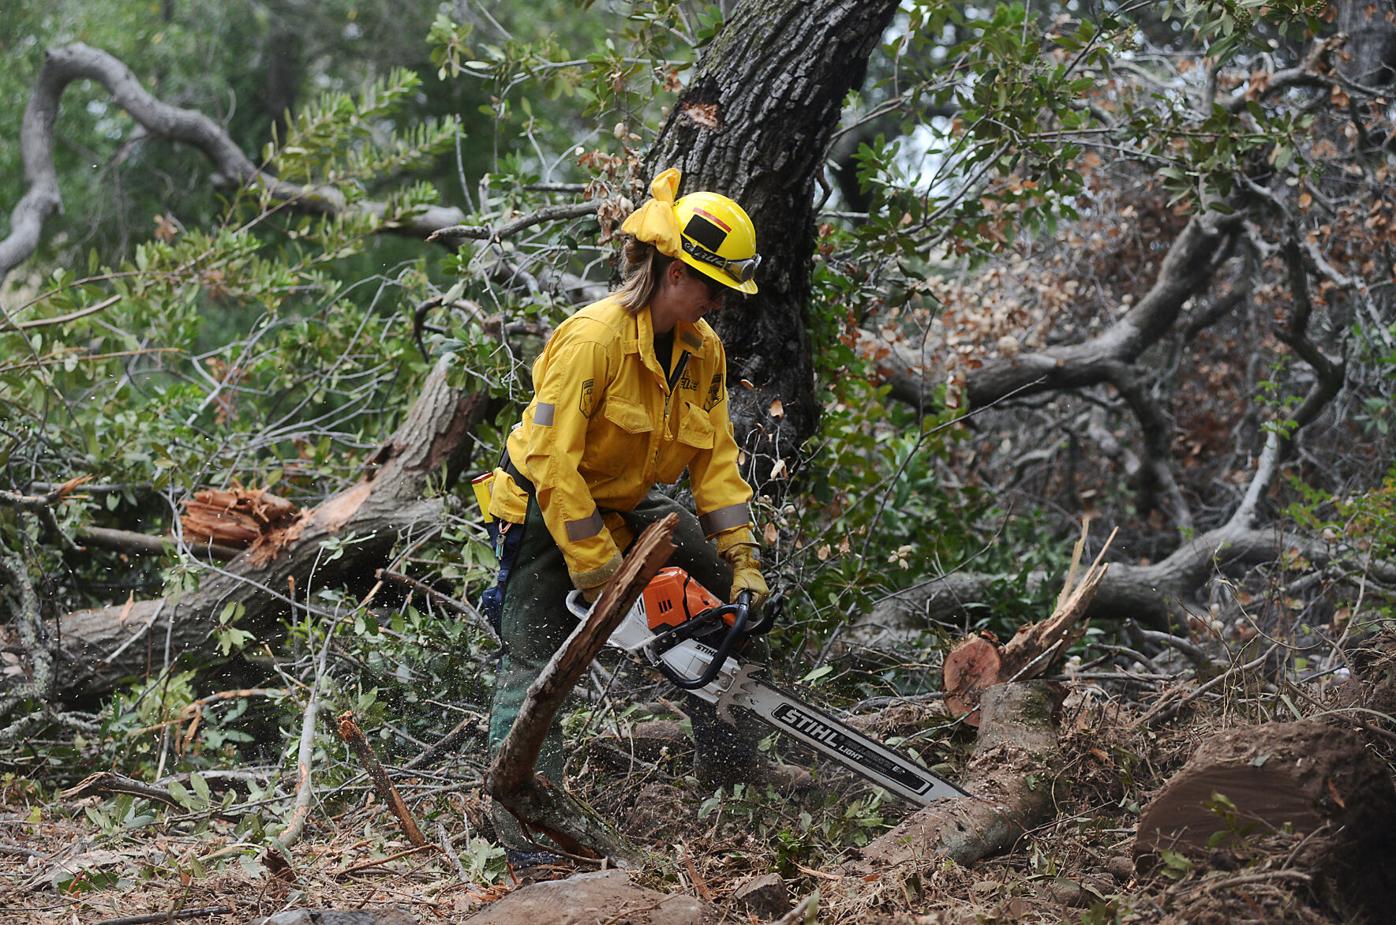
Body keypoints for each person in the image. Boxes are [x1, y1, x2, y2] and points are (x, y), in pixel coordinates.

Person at [481, 167, 770, 856]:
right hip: (543, 509)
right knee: (539, 661)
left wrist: (743, 561)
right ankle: (523, 829)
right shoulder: (594, 339)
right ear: (674, 272)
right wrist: (597, 568)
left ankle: (733, 779)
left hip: (627, 501)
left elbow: (717, 462)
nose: (721, 305)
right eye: (714, 288)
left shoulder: (704, 353)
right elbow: (552, 461)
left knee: (729, 615)